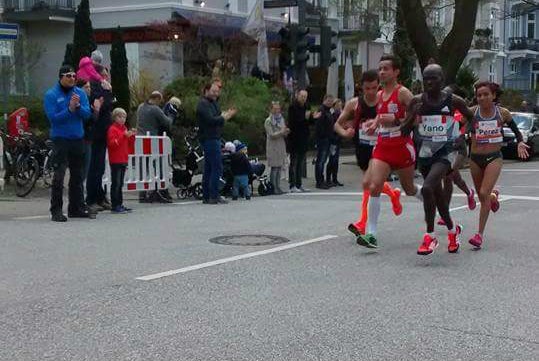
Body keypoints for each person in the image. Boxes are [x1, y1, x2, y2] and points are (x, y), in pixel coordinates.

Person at [401, 64, 474, 255]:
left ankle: (430, 237)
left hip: (447, 151)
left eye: (433, 78)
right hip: (425, 152)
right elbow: (404, 131)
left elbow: (473, 118)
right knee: (438, 196)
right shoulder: (417, 101)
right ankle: (452, 231)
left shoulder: (453, 100)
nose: (429, 82)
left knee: (426, 188)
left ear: (441, 80)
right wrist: (413, 116)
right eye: (426, 78)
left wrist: (463, 135)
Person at [357, 54, 423, 248]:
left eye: (386, 68)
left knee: (409, 189)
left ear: (396, 72)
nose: (382, 72)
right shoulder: (378, 95)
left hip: (402, 146)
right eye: (380, 69)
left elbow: (417, 119)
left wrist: (395, 120)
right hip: (383, 146)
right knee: (374, 186)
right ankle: (371, 235)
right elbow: (381, 117)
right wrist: (374, 123)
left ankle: (430, 201)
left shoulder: (403, 93)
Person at [334, 69, 402, 236]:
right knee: (371, 184)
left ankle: (363, 223)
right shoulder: (354, 104)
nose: (371, 92)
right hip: (362, 148)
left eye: (373, 87)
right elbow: (337, 124)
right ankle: (393, 194)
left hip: (381, 149)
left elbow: (398, 117)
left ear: (378, 85)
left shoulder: (383, 100)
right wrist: (345, 133)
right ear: (361, 88)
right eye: (367, 89)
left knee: (369, 184)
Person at [467, 81, 529, 248]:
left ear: (493, 96)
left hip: (494, 157)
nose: (482, 98)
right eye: (479, 95)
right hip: (474, 158)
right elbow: (459, 130)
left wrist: (520, 142)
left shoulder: (502, 113)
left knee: (483, 191)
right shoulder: (472, 113)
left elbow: (516, 131)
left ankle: (479, 235)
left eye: (486, 94)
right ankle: (493, 197)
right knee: (483, 197)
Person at [44, 65, 93, 222]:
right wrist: (69, 110)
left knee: (77, 175)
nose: (72, 78)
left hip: (77, 138)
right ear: (61, 77)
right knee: (59, 174)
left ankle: (76, 207)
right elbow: (53, 118)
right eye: (68, 76)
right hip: (60, 139)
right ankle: (56, 210)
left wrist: (77, 107)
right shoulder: (51, 95)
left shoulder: (79, 93)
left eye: (74, 76)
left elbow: (87, 115)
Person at [197, 80, 237, 204]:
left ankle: (207, 195)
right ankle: (214, 195)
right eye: (213, 91)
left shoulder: (213, 103)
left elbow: (217, 117)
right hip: (209, 138)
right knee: (216, 167)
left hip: (214, 137)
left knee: (209, 168)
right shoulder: (203, 104)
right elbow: (210, 120)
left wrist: (225, 115)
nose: (215, 94)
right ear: (206, 91)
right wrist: (223, 117)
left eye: (217, 92)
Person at [136, 90, 175, 203]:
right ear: (157, 99)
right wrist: (172, 115)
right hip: (152, 141)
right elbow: (167, 123)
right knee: (159, 165)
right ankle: (162, 191)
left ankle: (142, 194)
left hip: (140, 140)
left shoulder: (140, 107)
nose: (160, 103)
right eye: (160, 101)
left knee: (143, 167)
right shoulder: (155, 109)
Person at [86, 65, 115, 212]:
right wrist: (107, 91)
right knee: (94, 168)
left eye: (107, 76)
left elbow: (109, 104)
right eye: (104, 76)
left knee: (101, 168)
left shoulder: (101, 88)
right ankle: (91, 199)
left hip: (103, 133)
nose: (106, 79)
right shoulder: (95, 89)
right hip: (96, 133)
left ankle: (100, 196)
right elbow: (103, 105)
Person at [287, 89, 321, 192]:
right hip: (294, 137)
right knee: (294, 162)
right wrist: (305, 118)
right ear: (298, 96)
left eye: (305, 97)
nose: (303, 98)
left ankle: (299, 184)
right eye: (302, 96)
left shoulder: (307, 106)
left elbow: (309, 122)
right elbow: (293, 121)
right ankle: (292, 185)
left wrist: (313, 118)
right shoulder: (293, 107)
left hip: (304, 137)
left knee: (301, 162)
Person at [107, 108, 136, 214]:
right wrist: (123, 136)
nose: (122, 119)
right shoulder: (112, 129)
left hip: (123, 158)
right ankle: (115, 205)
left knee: (120, 183)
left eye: (124, 117)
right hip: (115, 159)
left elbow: (129, 144)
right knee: (116, 183)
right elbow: (112, 144)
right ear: (115, 118)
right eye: (120, 117)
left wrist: (132, 136)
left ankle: (119, 203)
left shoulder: (124, 128)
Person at [76, 79, 103, 182]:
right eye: (86, 87)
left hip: (88, 137)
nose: (89, 89)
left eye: (89, 87)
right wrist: (96, 110)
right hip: (83, 137)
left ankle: (79, 190)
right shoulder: (81, 102)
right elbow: (89, 120)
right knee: (83, 168)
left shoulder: (88, 100)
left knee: (85, 168)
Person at [264, 101, 290, 195]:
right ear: (271, 109)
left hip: (281, 145)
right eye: (275, 109)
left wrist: (286, 132)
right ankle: (273, 187)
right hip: (273, 146)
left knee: (279, 167)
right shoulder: (268, 121)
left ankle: (278, 186)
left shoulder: (281, 119)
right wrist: (281, 132)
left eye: (278, 109)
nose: (277, 111)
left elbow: (283, 131)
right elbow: (271, 135)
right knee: (274, 167)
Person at [315, 94, 336, 189]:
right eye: (328, 101)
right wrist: (324, 136)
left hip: (328, 139)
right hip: (323, 139)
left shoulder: (329, 111)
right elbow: (319, 126)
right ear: (324, 100)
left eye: (331, 102)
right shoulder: (321, 110)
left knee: (323, 160)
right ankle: (319, 181)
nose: (330, 103)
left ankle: (322, 180)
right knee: (320, 161)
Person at [326, 98, 343, 187]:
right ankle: (329, 179)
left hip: (338, 138)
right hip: (333, 139)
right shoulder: (333, 114)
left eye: (341, 105)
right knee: (332, 159)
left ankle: (334, 179)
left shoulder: (340, 114)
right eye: (338, 105)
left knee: (336, 160)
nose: (340, 107)